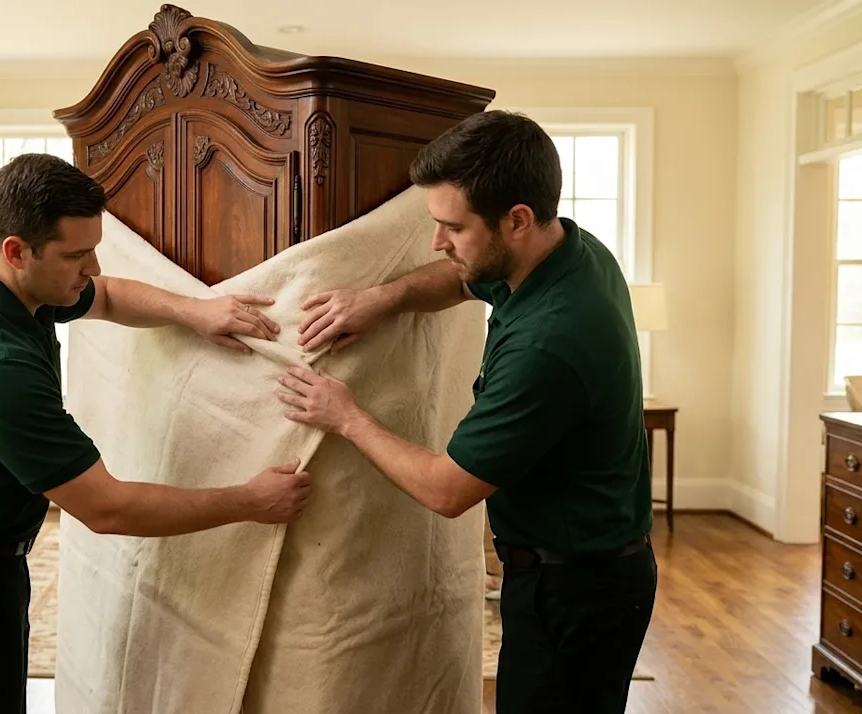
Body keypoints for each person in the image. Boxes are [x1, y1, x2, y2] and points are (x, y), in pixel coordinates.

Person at [0, 153, 312, 714]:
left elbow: (103, 297)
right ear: (16, 250)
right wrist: (250, 500)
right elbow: (108, 509)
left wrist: (195, 311)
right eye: (77, 254)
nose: (94, 266)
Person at [274, 110, 656, 714]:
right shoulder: (567, 250)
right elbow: (463, 279)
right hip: (582, 570)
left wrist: (344, 415)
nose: (436, 241)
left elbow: (447, 489)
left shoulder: (549, 343)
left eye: (452, 226)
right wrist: (384, 298)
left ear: (517, 221)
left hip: (576, 590)